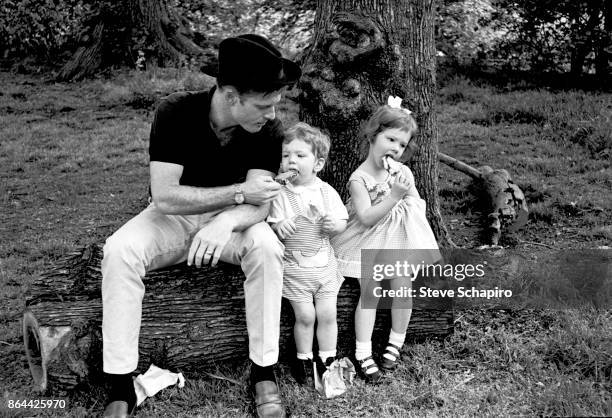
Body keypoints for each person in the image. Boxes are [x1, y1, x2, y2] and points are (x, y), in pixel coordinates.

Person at [101, 34, 301, 418]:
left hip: (235, 221)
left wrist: (225, 220)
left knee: (267, 249)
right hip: (171, 219)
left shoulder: (269, 131)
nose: (273, 114)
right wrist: (239, 192)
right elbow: (165, 197)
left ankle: (264, 371)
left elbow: (261, 205)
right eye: (263, 105)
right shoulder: (175, 111)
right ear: (230, 96)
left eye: (275, 104)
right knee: (120, 250)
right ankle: (121, 385)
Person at [330, 97, 441, 383]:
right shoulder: (360, 178)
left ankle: (396, 341)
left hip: (397, 239)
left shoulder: (403, 172)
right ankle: (363, 352)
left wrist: (405, 192)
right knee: (371, 291)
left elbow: (417, 207)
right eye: (390, 139)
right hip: (367, 239)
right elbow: (366, 218)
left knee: (403, 286)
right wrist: (392, 196)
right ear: (373, 135)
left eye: (402, 145)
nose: (395, 148)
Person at [267, 123, 348, 385]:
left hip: (324, 269)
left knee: (327, 314)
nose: (291, 160)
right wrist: (279, 226)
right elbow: (272, 224)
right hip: (295, 270)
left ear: (318, 164)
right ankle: (303, 358)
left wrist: (334, 225)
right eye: (286, 155)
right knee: (305, 316)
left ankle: (327, 359)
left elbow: (341, 222)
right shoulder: (279, 194)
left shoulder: (327, 192)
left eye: (300, 156)